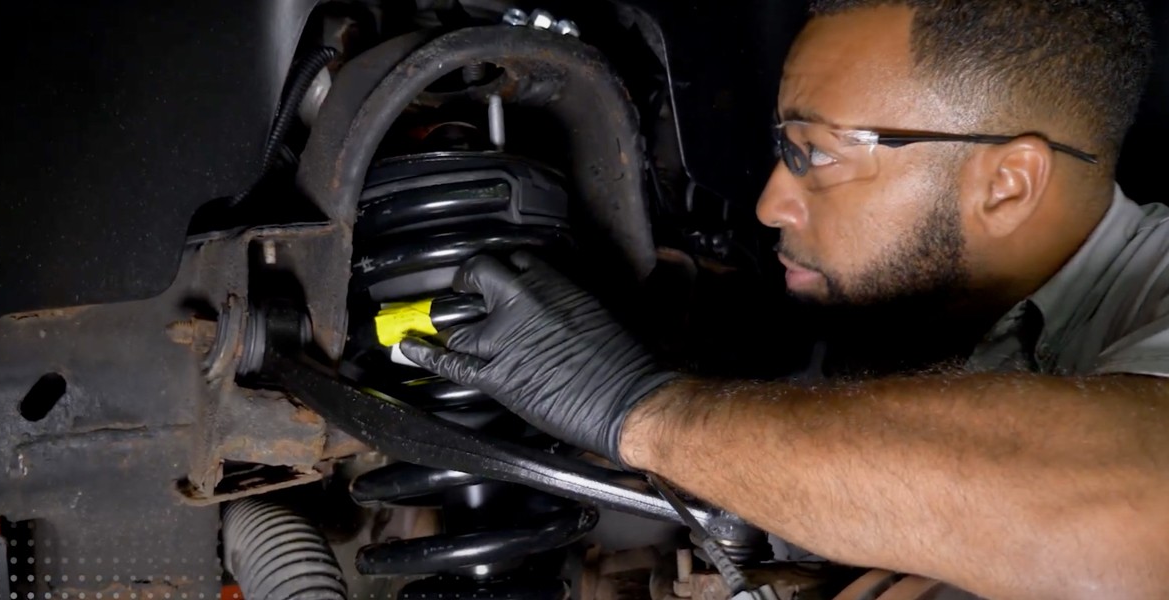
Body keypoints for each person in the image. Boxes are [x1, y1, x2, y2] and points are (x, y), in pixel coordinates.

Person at [401, 1, 1169, 598]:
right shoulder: (914, 312)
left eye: (817, 155)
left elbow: (1136, 511)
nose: (771, 203)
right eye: (781, 150)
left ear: (1005, 184)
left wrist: (642, 412)